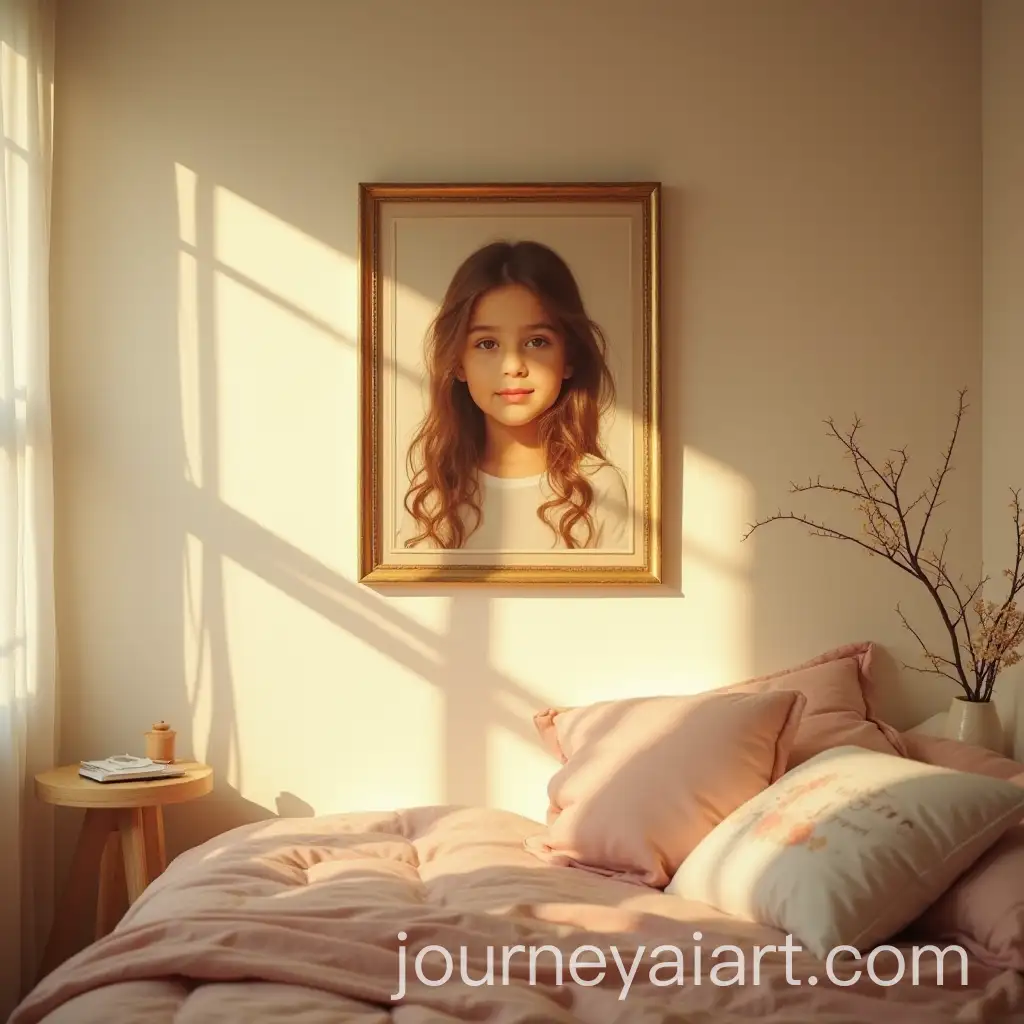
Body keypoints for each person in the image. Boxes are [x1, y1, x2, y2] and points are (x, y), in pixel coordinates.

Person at [399, 239, 630, 552]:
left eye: (536, 342)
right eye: (487, 344)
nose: (513, 366)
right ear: (458, 363)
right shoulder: (434, 494)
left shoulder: (598, 487)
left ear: (569, 356)